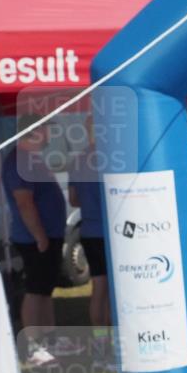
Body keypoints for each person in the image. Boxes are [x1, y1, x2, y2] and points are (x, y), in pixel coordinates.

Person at [1, 118, 67, 366]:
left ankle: (50, 340)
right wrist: (40, 236)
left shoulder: (33, 159)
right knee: (35, 291)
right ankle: (33, 347)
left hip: (48, 234)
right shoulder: (19, 162)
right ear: (34, 132)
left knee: (45, 290)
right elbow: (24, 203)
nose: (50, 132)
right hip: (34, 238)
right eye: (46, 128)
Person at [68, 138, 111, 346]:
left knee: (99, 286)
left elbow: (73, 200)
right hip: (111, 232)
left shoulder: (78, 160)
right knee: (113, 289)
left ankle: (101, 342)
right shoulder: (112, 157)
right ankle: (112, 342)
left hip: (90, 230)